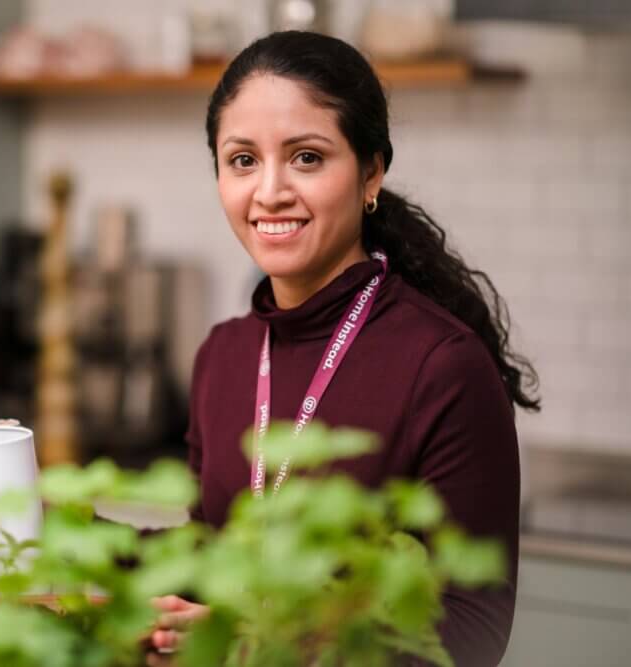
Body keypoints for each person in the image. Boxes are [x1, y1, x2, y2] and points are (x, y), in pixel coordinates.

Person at [148, 31, 539, 667]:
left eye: (306, 157)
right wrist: (49, 526)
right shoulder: (221, 355)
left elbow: (472, 631)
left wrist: (260, 649)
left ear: (371, 172)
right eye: (242, 160)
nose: (269, 190)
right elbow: (208, 553)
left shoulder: (443, 366)